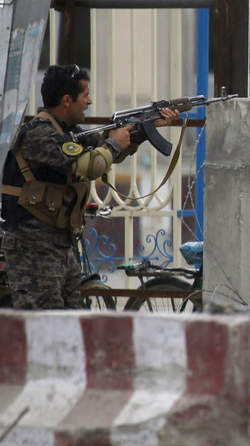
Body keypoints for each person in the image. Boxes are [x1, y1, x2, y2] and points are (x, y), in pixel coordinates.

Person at [1, 64, 177, 309]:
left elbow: (104, 148)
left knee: (73, 319)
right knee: (42, 324)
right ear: (66, 99)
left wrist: (145, 128)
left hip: (59, 243)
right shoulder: (39, 135)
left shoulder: (68, 133)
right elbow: (90, 164)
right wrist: (114, 144)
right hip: (34, 245)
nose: (90, 101)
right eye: (85, 96)